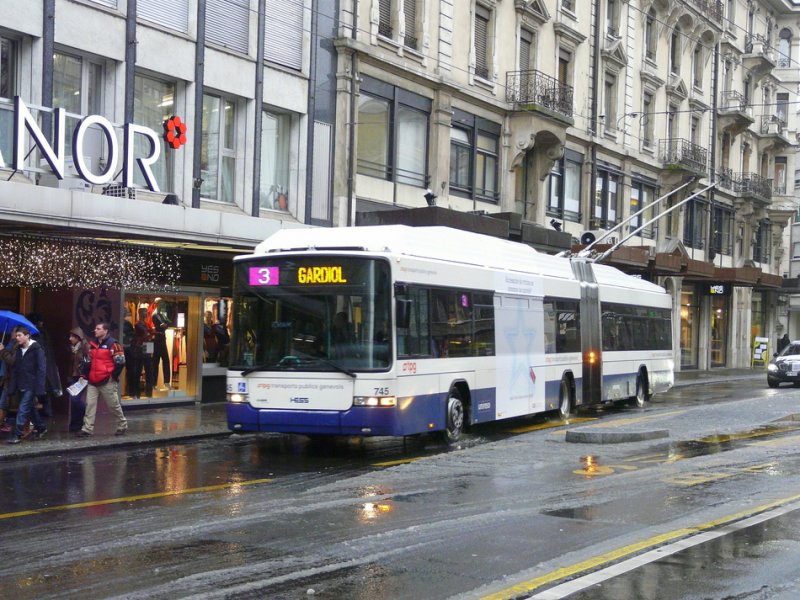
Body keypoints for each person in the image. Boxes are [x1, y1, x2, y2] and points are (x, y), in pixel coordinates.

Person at [77, 321, 128, 437]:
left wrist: (112, 376)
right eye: (96, 328)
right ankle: (87, 429)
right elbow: (88, 362)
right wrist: (84, 375)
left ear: (105, 331)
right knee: (90, 405)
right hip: (93, 380)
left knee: (113, 405)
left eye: (98, 329)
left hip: (106, 380)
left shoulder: (113, 344)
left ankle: (122, 424)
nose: (95, 330)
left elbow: (120, 362)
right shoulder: (92, 344)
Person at [6, 326, 47, 444]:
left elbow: (41, 369)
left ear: (27, 336)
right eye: (16, 335)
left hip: (32, 384)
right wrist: (12, 386)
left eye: (19, 335)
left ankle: (17, 434)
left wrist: (40, 387)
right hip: (20, 383)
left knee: (23, 408)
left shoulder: (37, 349)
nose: (17, 338)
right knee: (30, 409)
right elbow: (15, 369)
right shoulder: (18, 349)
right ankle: (41, 427)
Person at [66, 327, 88, 432]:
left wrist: (84, 374)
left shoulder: (85, 347)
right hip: (73, 377)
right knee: (73, 402)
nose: (70, 339)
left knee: (75, 400)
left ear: (78, 337)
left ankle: (87, 413)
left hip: (82, 377)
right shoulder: (73, 348)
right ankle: (75, 425)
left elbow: (88, 362)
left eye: (72, 337)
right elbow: (71, 364)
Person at [131, 308, 154, 398]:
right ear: (140, 313)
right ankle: (136, 393)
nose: (146, 313)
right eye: (144, 312)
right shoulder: (137, 324)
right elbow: (146, 334)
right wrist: (150, 333)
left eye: (146, 312)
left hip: (148, 346)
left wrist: (150, 334)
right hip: (141, 347)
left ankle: (149, 393)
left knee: (149, 371)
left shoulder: (147, 324)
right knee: (138, 370)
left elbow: (150, 334)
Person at [0, 338, 17, 433]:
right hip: (6, 377)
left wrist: (3, 350)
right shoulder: (10, 343)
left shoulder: (17, 346)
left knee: (4, 403)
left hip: (11, 379)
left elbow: (11, 360)